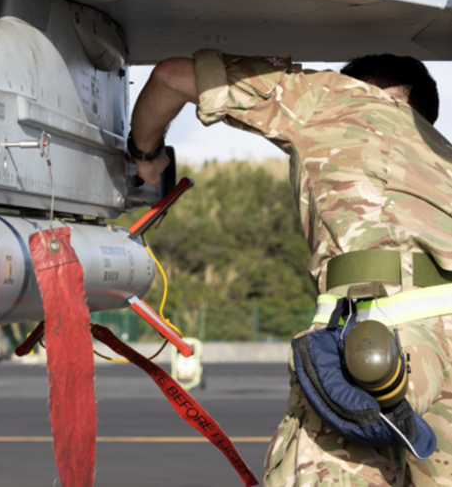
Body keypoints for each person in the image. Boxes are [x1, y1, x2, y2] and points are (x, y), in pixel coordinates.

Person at [129, 51, 451, 485]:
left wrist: (145, 153)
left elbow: (169, 77)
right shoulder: (442, 161)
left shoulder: (333, 100)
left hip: (388, 346)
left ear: (359, 87)